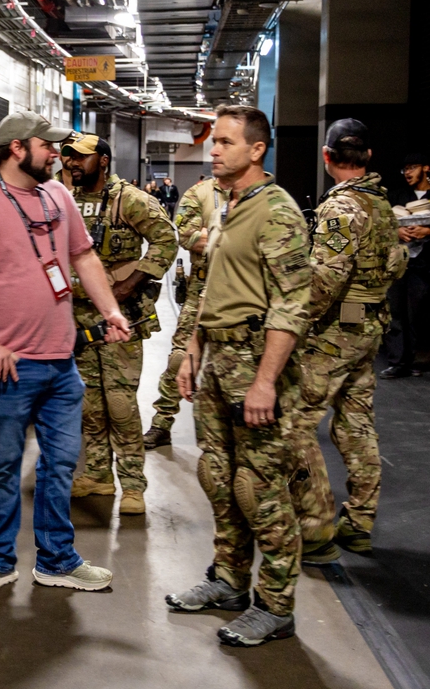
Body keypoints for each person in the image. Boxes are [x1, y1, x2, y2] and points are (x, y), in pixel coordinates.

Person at [0, 111, 126, 596]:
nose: (58, 156)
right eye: (49, 146)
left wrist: (109, 310)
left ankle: (57, 559)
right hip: (7, 368)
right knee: (4, 467)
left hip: (61, 362)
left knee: (61, 462)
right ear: (18, 148)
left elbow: (83, 256)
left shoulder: (58, 195)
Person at [168, 104, 310, 648]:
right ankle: (228, 580)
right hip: (218, 362)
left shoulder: (277, 211)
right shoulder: (230, 206)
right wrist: (192, 349)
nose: (214, 149)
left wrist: (267, 381)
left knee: (262, 491)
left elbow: (292, 305)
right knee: (222, 482)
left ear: (257, 150)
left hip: (255, 363)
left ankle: (275, 606)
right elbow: (211, 287)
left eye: (225, 142)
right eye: (214, 141)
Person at [286, 119, 407, 562]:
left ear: (326, 155)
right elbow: (396, 265)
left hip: (334, 332)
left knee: (295, 423)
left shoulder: (342, 209)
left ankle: (315, 526)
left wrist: (290, 323)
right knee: (356, 423)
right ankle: (359, 522)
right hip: (370, 325)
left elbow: (323, 283)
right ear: (369, 156)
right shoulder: (382, 205)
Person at [65, 134, 177, 515]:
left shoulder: (129, 199)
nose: (73, 163)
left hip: (118, 317)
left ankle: (132, 485)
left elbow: (166, 240)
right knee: (89, 403)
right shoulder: (66, 198)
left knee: (120, 403)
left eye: (81, 157)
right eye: (68, 157)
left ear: (104, 160)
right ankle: (97, 474)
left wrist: (132, 282)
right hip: (77, 316)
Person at [144, 175, 226, 449]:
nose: (217, 153)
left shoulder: (258, 196)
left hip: (244, 291)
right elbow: (187, 238)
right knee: (181, 356)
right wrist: (235, 238)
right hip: (201, 288)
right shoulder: (199, 193)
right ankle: (162, 422)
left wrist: (211, 235)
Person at [381, 152, 430, 377]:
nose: (407, 173)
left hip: (424, 262)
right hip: (399, 259)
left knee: (417, 312)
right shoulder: (396, 195)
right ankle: (397, 361)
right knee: (395, 310)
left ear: (426, 168)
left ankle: (415, 360)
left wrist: (427, 230)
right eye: (405, 169)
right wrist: (397, 230)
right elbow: (381, 224)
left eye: (412, 167)